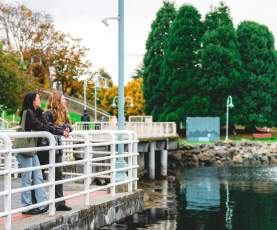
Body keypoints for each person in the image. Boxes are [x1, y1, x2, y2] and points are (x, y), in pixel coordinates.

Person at [17, 92, 69, 215]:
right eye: (38, 98)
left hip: (32, 148)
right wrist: (61, 132)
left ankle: (43, 203)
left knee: (38, 176)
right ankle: (27, 206)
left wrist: (61, 130)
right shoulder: (28, 112)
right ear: (32, 101)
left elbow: (47, 126)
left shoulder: (38, 112)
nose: (40, 100)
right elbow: (41, 127)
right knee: (27, 177)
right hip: (25, 148)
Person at [38, 92, 72, 211]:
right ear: (57, 100)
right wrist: (63, 130)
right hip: (45, 148)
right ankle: (39, 202)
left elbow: (69, 124)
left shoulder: (63, 112)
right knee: (39, 175)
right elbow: (49, 127)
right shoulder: (48, 113)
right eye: (63, 99)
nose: (65, 101)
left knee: (58, 174)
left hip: (57, 149)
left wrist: (67, 128)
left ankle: (59, 202)